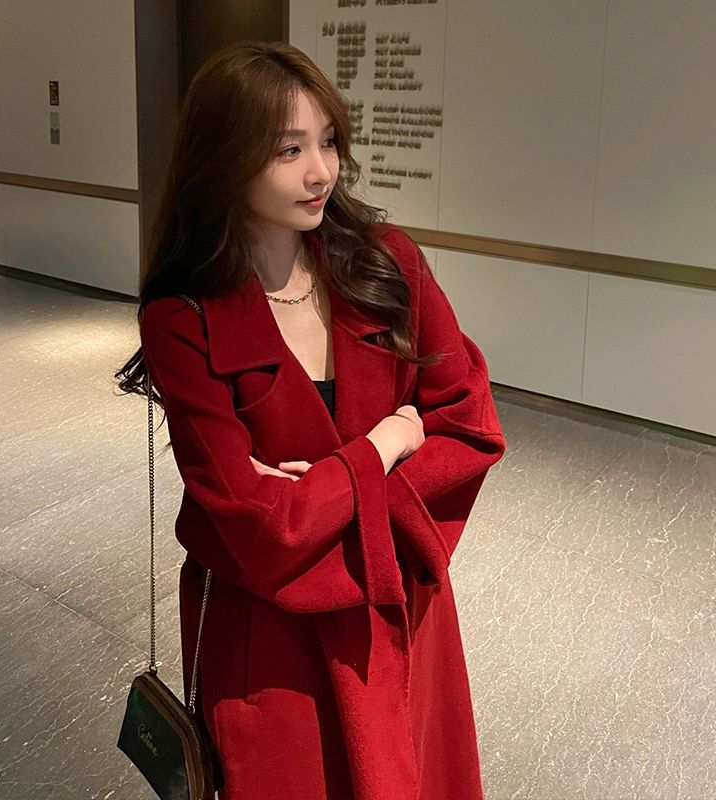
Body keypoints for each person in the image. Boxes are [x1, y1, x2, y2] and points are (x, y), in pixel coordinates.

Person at [115, 40, 506, 800]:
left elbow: (469, 425)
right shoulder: (182, 319)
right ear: (223, 159)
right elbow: (259, 528)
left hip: (398, 619)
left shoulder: (386, 265)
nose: (322, 171)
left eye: (327, 141)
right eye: (288, 149)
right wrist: (386, 444)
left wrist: (321, 499)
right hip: (272, 646)